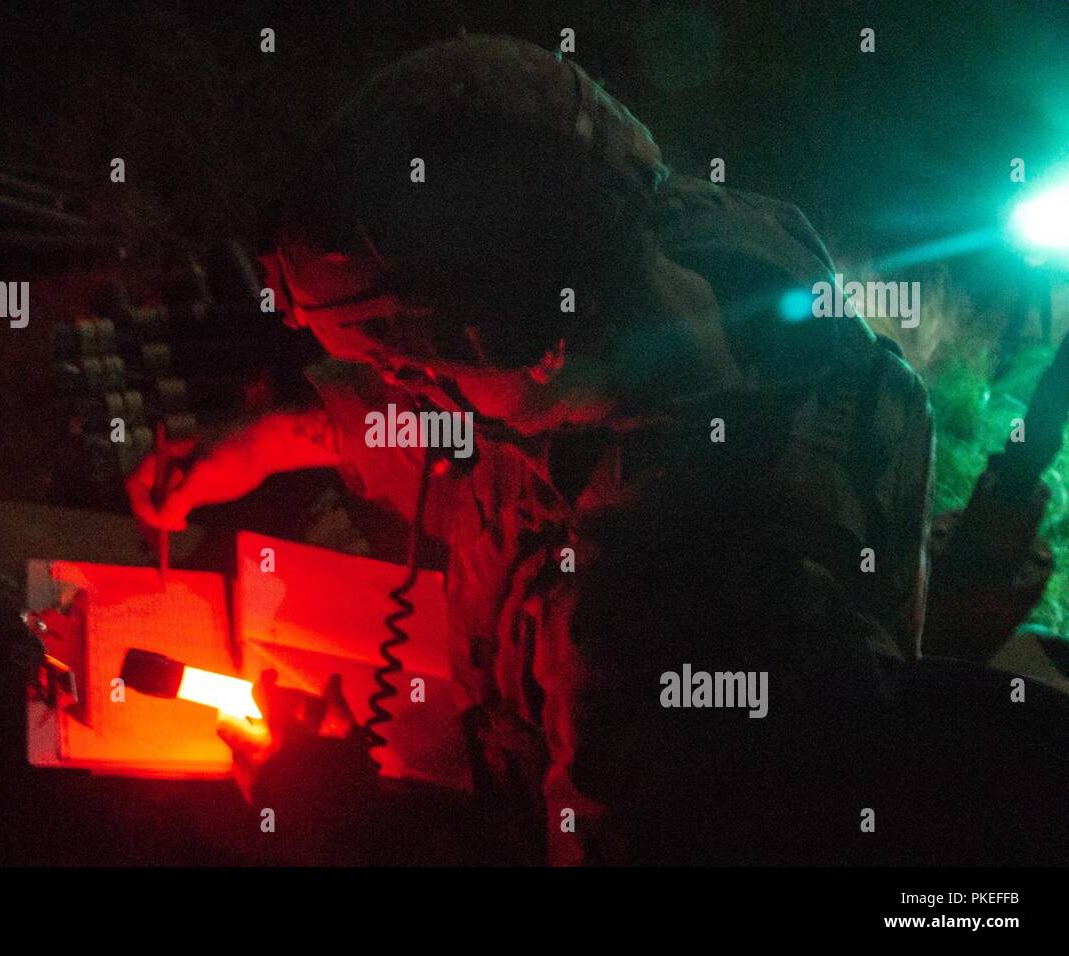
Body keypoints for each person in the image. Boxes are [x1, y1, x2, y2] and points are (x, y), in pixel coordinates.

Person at [129, 34, 935, 864]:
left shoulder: (687, 619)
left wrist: (331, 821)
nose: (406, 389)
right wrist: (291, 436)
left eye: (403, 367)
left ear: (527, 345)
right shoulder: (653, 255)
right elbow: (490, 445)